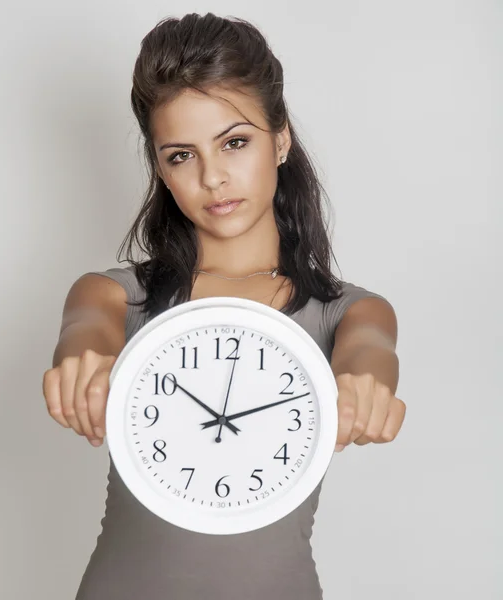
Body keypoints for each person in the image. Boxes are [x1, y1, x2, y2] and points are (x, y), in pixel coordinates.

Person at [42, 12, 406, 600]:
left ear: (280, 138)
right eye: (181, 155)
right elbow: (89, 330)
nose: (213, 177)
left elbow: (370, 353)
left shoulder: (350, 313)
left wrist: (365, 383)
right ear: (159, 167)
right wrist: (83, 360)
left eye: (234, 142)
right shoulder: (115, 295)